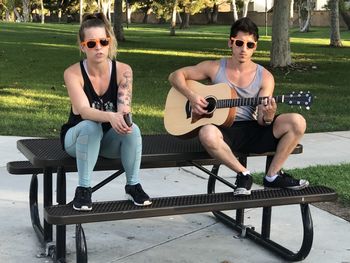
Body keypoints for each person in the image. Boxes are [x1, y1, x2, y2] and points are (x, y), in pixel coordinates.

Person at [168, 17, 309, 196]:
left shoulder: (265, 76)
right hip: (223, 130)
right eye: (239, 43)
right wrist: (193, 97)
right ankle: (243, 174)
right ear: (230, 43)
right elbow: (175, 76)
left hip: (252, 130)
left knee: (297, 121)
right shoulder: (214, 67)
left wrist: (268, 115)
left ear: (255, 47)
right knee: (206, 133)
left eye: (250, 45)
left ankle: (273, 176)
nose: (244, 49)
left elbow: (261, 121)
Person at [60, 12, 151, 211]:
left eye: (103, 41)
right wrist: (110, 116)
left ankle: (133, 185)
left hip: (107, 141)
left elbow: (124, 110)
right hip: (77, 139)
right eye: (91, 43)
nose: (98, 47)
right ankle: (84, 190)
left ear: (109, 42)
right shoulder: (73, 73)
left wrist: (123, 119)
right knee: (91, 127)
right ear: (83, 46)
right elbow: (83, 111)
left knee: (132, 128)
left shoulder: (124, 70)